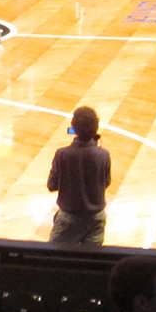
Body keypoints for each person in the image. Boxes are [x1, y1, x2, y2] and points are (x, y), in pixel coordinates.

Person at [47, 105, 112, 245]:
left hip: (69, 218)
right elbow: (106, 183)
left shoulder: (62, 154)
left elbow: (51, 185)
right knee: (91, 261)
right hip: (97, 218)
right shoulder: (104, 155)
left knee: (52, 257)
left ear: (73, 128)